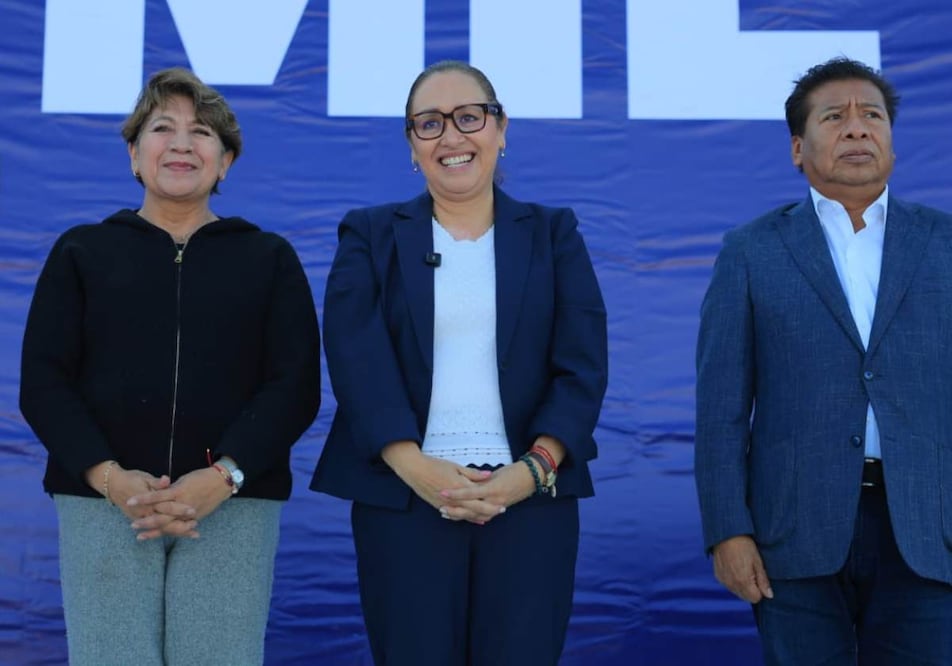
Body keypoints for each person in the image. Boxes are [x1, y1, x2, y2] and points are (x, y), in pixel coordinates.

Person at [310, 60, 608, 665]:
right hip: (404, 499)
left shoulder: (554, 234)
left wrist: (531, 470)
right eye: (429, 123)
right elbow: (355, 358)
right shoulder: (368, 235)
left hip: (530, 501)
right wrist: (413, 465)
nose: (451, 136)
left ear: (501, 130)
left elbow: (582, 364)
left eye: (469, 117)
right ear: (411, 145)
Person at [19, 67, 321, 665]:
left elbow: (295, 386)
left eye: (203, 132)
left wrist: (224, 476)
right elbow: (44, 381)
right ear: (134, 154)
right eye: (163, 128)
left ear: (226, 161)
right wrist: (109, 478)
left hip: (232, 501)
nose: (183, 143)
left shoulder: (269, 259)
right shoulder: (82, 251)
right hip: (102, 502)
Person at [695, 56, 952, 664]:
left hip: (929, 528)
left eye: (873, 116)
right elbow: (721, 411)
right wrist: (727, 532)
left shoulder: (944, 244)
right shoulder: (752, 250)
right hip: (794, 534)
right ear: (796, 149)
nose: (858, 129)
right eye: (834, 117)